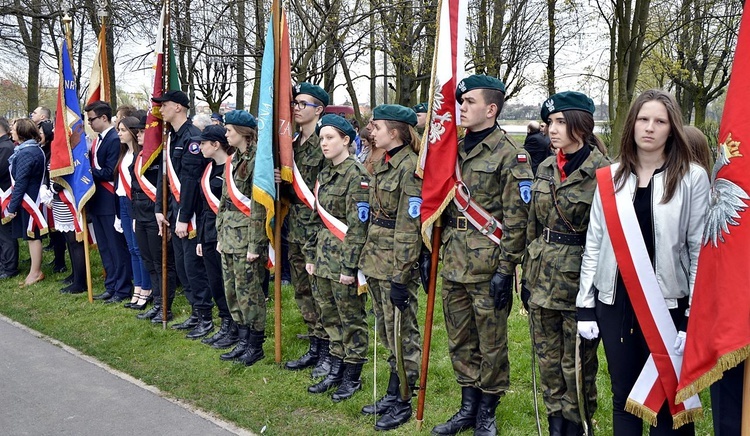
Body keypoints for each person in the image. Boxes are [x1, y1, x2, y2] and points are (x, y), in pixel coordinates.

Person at [577, 89, 709, 434]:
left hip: (668, 307)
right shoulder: (610, 177)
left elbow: (699, 252)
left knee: (668, 399)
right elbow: (594, 245)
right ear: (631, 124)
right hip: (615, 304)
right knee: (624, 398)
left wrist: (692, 316)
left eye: (660, 121)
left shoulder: (692, 178)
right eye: (643, 119)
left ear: (672, 128)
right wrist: (585, 307)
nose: (649, 128)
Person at [432, 75, 533, 436]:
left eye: (470, 102)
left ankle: (487, 411)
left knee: (491, 344)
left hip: (488, 264)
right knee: (460, 340)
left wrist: (506, 270)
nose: (461, 107)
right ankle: (466, 408)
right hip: (454, 262)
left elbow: (517, 220)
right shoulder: (451, 149)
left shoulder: (510, 153)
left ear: (491, 109)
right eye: (461, 101)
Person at [522, 92, 609, 435]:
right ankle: (556, 423)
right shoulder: (544, 166)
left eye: (560, 122)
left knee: (577, 365)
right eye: (549, 123)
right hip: (542, 278)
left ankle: (579, 426)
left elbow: (607, 240)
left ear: (581, 126)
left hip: (578, 285)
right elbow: (533, 224)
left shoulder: (603, 172)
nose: (552, 130)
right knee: (548, 360)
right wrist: (525, 275)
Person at [358, 105, 423, 430]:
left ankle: (404, 399)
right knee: (386, 330)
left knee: (403, 334)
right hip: (376, 260)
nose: (372, 130)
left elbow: (409, 228)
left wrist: (401, 275)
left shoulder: (409, 168)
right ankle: (392, 389)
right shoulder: (381, 163)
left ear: (395, 132)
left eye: (377, 126)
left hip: (396, 265)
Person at [304, 114, 370, 402]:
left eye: (330, 137)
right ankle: (336, 366)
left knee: (350, 319)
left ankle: (351, 375)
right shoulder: (326, 174)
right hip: (322, 258)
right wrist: (311, 255)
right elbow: (316, 218)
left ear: (346, 140)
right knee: (329, 316)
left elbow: (358, 227)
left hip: (343, 260)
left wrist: (349, 267)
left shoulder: (357, 176)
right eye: (321, 138)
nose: (324, 143)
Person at [153, 90, 215, 339]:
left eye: (164, 105)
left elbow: (189, 183)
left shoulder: (192, 138)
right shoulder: (172, 136)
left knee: (193, 266)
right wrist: (160, 208)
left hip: (192, 213)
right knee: (181, 265)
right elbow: (164, 176)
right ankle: (194, 311)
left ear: (179, 107)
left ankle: (205, 317)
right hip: (177, 210)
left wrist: (183, 217)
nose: (161, 110)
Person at [282, 83, 331, 376]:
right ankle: (314, 344)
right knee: (302, 290)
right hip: (296, 230)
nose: (296, 107)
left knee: (321, 293)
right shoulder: (292, 145)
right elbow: (293, 192)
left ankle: (328, 350)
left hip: (319, 232)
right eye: (295, 103)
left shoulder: (325, 144)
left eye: (303, 103)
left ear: (319, 110)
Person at [215, 110, 268, 365]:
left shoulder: (258, 160)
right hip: (228, 235)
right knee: (233, 291)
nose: (226, 134)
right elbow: (225, 200)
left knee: (250, 293)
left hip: (247, 236)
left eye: (229, 131)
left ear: (243, 133)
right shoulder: (233, 159)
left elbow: (259, 206)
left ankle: (256, 344)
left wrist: (255, 245)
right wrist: (219, 233)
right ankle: (243, 338)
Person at [84, 100, 133, 304]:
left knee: (115, 247)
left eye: (92, 119)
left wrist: (85, 172)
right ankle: (111, 285)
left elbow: (108, 172)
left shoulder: (114, 139)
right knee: (104, 246)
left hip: (109, 199)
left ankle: (122, 288)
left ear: (104, 118)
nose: (90, 123)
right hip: (97, 200)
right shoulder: (98, 139)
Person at [192, 124, 233, 348]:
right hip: (207, 233)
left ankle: (233, 326)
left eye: (204, 143)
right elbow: (202, 207)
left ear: (216, 145)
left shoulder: (231, 168)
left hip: (225, 236)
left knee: (227, 283)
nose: (200, 146)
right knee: (214, 282)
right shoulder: (208, 169)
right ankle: (224, 323)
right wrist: (200, 239)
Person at [133, 115, 176, 320]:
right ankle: (157, 302)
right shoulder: (139, 155)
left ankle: (165, 306)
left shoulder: (160, 157)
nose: (139, 135)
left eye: (143, 131)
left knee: (161, 262)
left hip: (154, 212)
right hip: (140, 213)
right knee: (149, 260)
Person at [4, 119, 47, 286]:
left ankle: (35, 272)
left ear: (21, 132)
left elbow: (21, 181)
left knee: (33, 236)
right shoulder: (29, 149)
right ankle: (33, 270)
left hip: (30, 200)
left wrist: (12, 206)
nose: (11, 132)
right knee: (31, 236)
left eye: (14, 129)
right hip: (29, 198)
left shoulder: (27, 152)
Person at [115, 116, 152, 309]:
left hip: (135, 202)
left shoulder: (139, 154)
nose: (119, 133)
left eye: (122, 130)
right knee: (131, 248)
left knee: (139, 248)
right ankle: (137, 287)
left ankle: (146, 288)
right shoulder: (123, 153)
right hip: (123, 201)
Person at [0, 117, 19, 279]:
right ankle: (3, 263)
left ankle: (10, 267)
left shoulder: (5, 147)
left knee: (6, 234)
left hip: (4, 195)